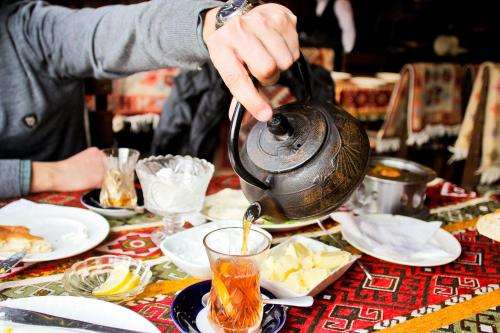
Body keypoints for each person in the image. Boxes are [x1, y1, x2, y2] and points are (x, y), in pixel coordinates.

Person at [0, 0, 299, 199]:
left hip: (80, 221)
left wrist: (215, 22)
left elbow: (131, 29)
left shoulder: (29, 31)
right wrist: (48, 175)